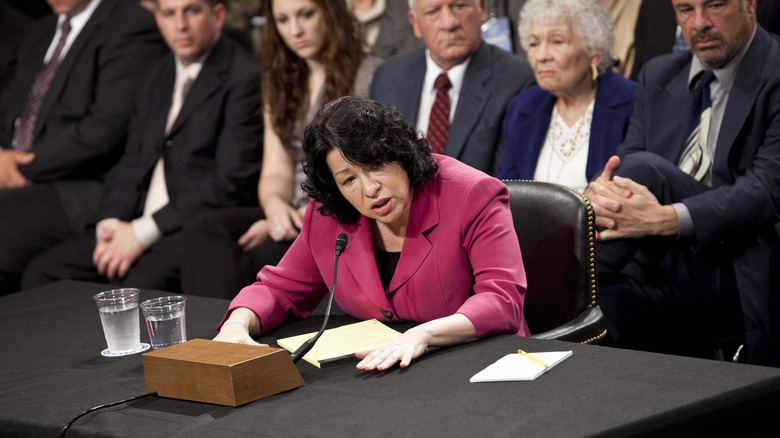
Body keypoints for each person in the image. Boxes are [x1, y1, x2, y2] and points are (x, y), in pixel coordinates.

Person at [215, 96, 530, 371]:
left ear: (402, 153)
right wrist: (237, 324)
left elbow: (502, 300)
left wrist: (423, 334)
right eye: (349, 179)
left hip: (484, 362)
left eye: (376, 165)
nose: (369, 188)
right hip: (384, 371)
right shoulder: (330, 214)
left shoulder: (472, 195)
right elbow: (280, 289)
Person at [585, 0, 780, 366]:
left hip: (741, 259)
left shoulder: (775, 71)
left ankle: (549, 291)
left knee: (646, 172)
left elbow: (767, 189)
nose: (700, 23)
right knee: (604, 309)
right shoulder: (658, 74)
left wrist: (664, 219)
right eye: (685, 9)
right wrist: (600, 191)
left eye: (715, 6)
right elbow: (621, 170)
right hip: (660, 261)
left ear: (750, 4)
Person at [20, 0, 262, 292]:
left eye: (192, 11)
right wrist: (112, 222)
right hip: (133, 222)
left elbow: (230, 182)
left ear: (218, 15)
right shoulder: (155, 74)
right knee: (43, 276)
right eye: (170, 13)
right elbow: (131, 161)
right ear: (158, 19)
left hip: (188, 227)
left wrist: (142, 232)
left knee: (134, 290)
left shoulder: (245, 76)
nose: (180, 24)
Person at [179, 0, 381, 299]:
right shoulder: (279, 78)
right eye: (283, 20)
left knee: (264, 248)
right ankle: (219, 336)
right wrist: (275, 210)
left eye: (306, 15)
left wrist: (297, 218)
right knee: (204, 230)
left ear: (331, 13)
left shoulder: (371, 72)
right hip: (290, 206)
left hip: (340, 204)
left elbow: (362, 168)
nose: (295, 30)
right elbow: (275, 169)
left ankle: (246, 329)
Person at [0, 0, 167, 294]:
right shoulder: (40, 32)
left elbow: (105, 128)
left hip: (81, 187)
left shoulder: (131, 24)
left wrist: (21, 166)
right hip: (20, 179)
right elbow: (10, 110)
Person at [369, 0, 534, 175]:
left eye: (459, 6)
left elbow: (507, 182)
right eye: (433, 12)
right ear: (415, 23)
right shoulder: (389, 77)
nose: (449, 23)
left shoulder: (517, 79)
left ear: (482, 9)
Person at [496, 0, 637, 193]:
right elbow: (506, 191)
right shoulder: (522, 107)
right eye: (533, 43)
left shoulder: (632, 102)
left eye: (557, 42)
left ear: (595, 51)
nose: (542, 56)